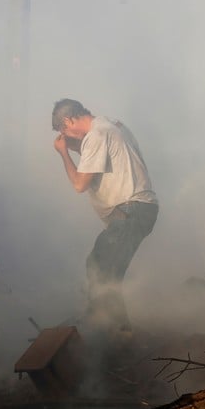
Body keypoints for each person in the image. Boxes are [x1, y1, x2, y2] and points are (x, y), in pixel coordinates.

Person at [51, 99, 158, 342]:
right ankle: (110, 326)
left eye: (63, 130)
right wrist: (74, 146)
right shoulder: (112, 125)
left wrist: (64, 154)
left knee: (103, 271)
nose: (65, 135)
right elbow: (96, 159)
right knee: (101, 265)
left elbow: (80, 183)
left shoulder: (96, 135)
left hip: (130, 210)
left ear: (69, 121)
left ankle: (117, 334)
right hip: (137, 210)